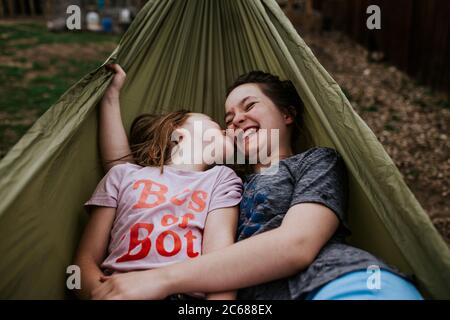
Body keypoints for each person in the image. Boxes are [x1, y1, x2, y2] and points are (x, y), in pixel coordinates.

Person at [90, 65, 423, 300]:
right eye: (228, 119)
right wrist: (110, 99)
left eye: (249, 106)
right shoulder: (222, 183)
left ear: (287, 115)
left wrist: (158, 280)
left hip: (337, 283)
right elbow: (129, 174)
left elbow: (297, 245)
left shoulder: (315, 161)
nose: (236, 121)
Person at [74, 65, 243, 300]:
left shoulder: (221, 179)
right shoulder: (123, 175)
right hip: (115, 288)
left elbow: (220, 262)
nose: (227, 129)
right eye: (214, 123)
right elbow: (85, 260)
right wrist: (110, 97)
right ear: (179, 133)